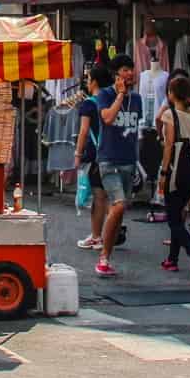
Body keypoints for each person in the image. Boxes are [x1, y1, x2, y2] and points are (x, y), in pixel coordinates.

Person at [93, 55, 144, 278]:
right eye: (125, 70)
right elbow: (108, 118)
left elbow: (134, 130)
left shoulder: (138, 99)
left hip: (128, 162)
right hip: (108, 160)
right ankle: (102, 256)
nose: (130, 73)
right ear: (116, 74)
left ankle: (107, 255)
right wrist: (121, 95)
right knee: (119, 204)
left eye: (132, 69)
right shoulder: (105, 95)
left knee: (119, 211)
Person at [156, 74, 190, 276]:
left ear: (171, 94)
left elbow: (168, 146)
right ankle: (172, 259)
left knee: (173, 219)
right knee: (178, 214)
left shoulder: (170, 115)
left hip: (175, 169)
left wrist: (163, 172)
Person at [74, 67, 110, 251]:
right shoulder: (110, 100)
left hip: (96, 155)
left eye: (88, 78)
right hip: (111, 153)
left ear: (94, 81)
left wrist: (77, 155)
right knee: (107, 196)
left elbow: (84, 131)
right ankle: (105, 235)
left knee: (98, 196)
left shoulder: (89, 104)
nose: (87, 82)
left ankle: (97, 236)